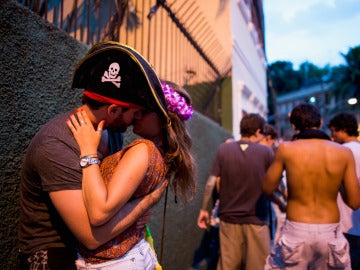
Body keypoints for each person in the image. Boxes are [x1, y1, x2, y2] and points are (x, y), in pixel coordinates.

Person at [18, 41, 169, 269]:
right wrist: (147, 200)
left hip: (94, 249)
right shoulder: (56, 145)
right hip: (53, 250)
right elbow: (92, 236)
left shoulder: (112, 132)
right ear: (113, 111)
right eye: (135, 113)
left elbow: (110, 201)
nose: (136, 120)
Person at [66, 80, 196, 269]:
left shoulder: (144, 150)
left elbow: (98, 213)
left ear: (163, 117)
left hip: (115, 262)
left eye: (144, 109)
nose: (137, 113)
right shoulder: (161, 154)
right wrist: (144, 206)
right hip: (129, 255)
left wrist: (88, 152)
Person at [262, 103, 360, 269]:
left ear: (294, 126)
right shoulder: (344, 153)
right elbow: (355, 202)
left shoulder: (286, 149)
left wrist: (286, 186)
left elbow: (267, 187)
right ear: (320, 122)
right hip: (330, 232)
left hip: (296, 228)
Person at [197, 113, 274, 270]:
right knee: (258, 266)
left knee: (228, 266)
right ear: (258, 132)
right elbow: (274, 185)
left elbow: (211, 182)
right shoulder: (266, 152)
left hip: (228, 219)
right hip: (257, 220)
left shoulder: (224, 149)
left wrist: (204, 209)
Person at [191, 137, 234, 270]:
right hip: (222, 215)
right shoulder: (222, 167)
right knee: (217, 249)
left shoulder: (228, 167)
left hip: (228, 216)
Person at [328, 112, 360, 270]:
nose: (332, 136)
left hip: (344, 224)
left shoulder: (339, 152)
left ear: (340, 129)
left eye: (333, 131)